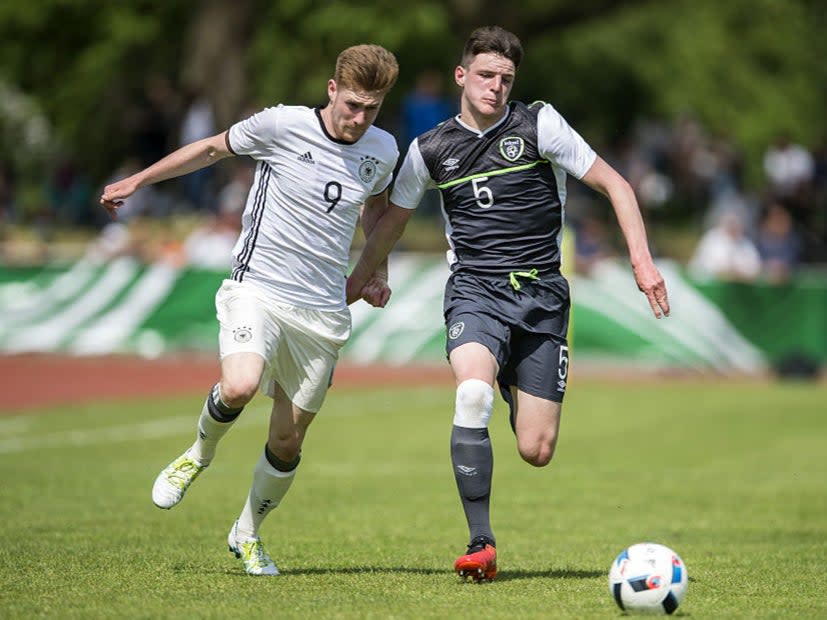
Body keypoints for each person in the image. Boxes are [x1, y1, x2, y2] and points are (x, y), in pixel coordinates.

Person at [346, 26, 669, 582]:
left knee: (536, 449)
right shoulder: (430, 149)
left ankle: (512, 374)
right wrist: (353, 288)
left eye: (506, 78)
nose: (496, 87)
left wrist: (642, 262)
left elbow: (617, 185)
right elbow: (389, 224)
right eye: (486, 75)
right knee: (471, 393)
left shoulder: (539, 123)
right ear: (462, 76)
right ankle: (481, 542)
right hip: (475, 290)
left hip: (543, 297)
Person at [100, 44, 400, 576]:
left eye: (371, 109)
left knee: (287, 439)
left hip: (322, 311)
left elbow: (375, 209)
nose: (359, 118)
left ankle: (247, 532)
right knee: (239, 385)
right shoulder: (281, 125)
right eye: (352, 104)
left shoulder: (383, 150)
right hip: (257, 287)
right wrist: (139, 181)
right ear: (332, 90)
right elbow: (211, 149)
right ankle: (198, 453)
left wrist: (377, 270)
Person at [688, 209, 761, 282]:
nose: (734, 226)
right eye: (731, 223)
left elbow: (755, 268)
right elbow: (717, 270)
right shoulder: (713, 238)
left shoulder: (745, 243)